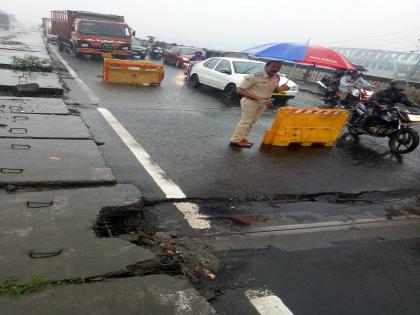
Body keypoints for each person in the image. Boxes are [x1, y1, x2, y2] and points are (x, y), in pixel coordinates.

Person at [229, 60, 290, 148]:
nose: (275, 69)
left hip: (264, 103)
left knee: (252, 122)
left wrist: (281, 88)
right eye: (273, 67)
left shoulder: (276, 77)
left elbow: (274, 90)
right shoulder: (254, 76)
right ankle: (235, 140)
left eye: (278, 68)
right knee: (246, 121)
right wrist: (259, 99)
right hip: (250, 102)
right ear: (267, 66)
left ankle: (242, 138)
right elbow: (240, 90)